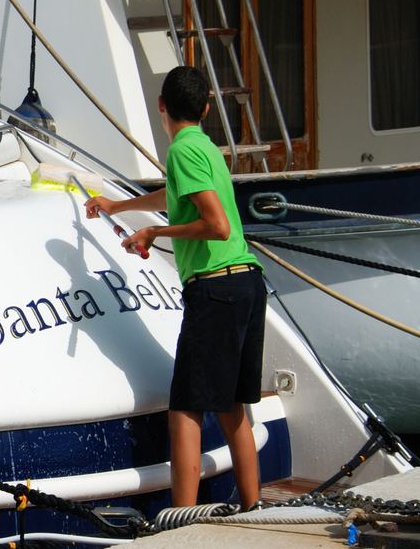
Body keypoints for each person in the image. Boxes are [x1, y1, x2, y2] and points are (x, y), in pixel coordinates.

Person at [83, 65, 266, 509]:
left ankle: (181, 520)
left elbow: (216, 225)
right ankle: (252, 506)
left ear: (161, 106)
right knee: (231, 406)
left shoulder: (181, 151)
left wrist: (154, 235)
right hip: (247, 283)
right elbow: (177, 197)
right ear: (205, 108)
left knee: (185, 408)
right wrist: (121, 206)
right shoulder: (204, 146)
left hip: (216, 290)